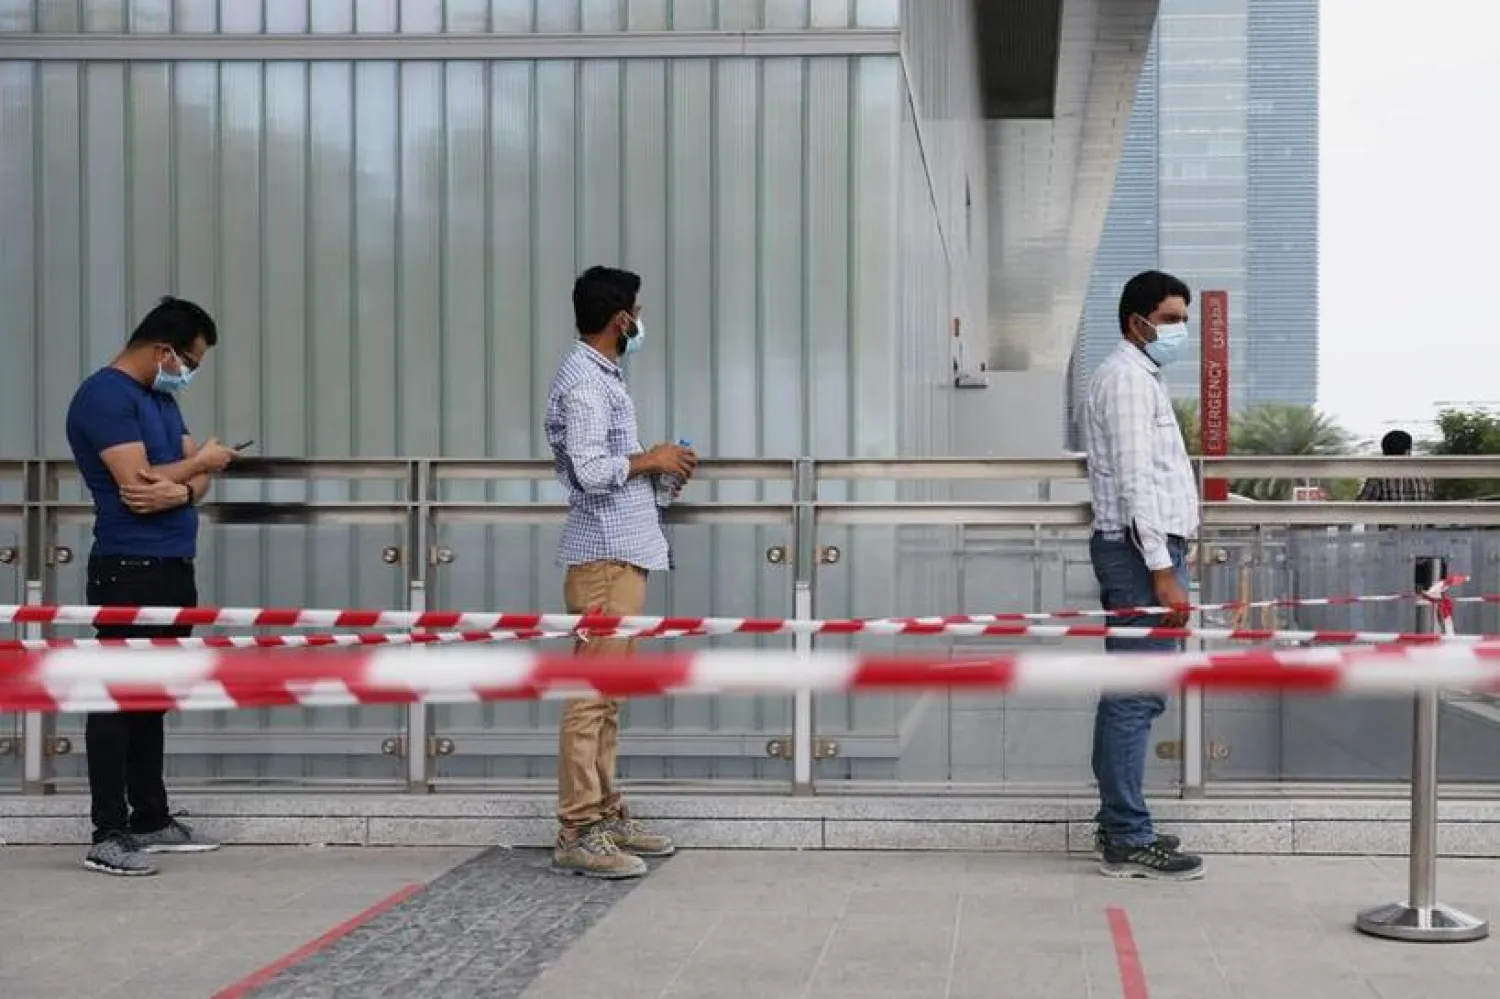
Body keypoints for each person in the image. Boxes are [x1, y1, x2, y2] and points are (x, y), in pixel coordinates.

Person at [65, 296, 239, 876]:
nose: (189, 372)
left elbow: (184, 473)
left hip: (172, 564)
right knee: (115, 698)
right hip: (127, 567)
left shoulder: (159, 397)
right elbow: (136, 482)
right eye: (189, 360)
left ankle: (151, 817)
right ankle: (108, 830)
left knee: (152, 697)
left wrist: (186, 487)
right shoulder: (105, 396)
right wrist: (196, 470)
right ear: (163, 350)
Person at [544, 266, 698, 879]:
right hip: (604, 557)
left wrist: (662, 470)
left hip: (623, 551)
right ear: (621, 320)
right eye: (636, 311)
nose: (639, 322)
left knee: (607, 698)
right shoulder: (584, 381)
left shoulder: (605, 377)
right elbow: (587, 469)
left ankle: (605, 815)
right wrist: (650, 458)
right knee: (590, 698)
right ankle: (578, 829)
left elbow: (613, 466)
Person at [1082, 269, 1206, 881]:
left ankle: (1121, 822)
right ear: (1138, 321)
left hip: (1146, 553)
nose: (1180, 329)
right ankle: (1127, 836)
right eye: (1172, 318)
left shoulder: (1139, 376)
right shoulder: (1128, 381)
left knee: (1136, 691)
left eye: (1184, 318)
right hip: (1138, 557)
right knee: (1135, 694)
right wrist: (1162, 569)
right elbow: (1134, 485)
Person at [1357, 430, 1434, 502]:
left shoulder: (1378, 477)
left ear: (1384, 453)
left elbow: (1360, 508)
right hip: (1419, 516)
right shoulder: (1425, 477)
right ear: (1408, 452)